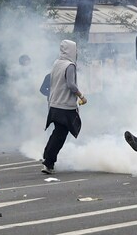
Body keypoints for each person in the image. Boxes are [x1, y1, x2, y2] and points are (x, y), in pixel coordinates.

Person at [41, 39, 87, 175]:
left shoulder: (57, 63)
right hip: (65, 106)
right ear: (71, 50)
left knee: (58, 132)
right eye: (75, 49)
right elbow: (71, 85)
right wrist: (82, 96)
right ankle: (48, 162)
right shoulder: (70, 65)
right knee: (60, 134)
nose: (77, 52)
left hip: (54, 104)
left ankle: (47, 156)